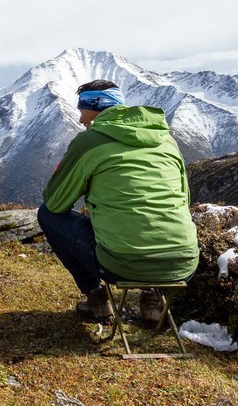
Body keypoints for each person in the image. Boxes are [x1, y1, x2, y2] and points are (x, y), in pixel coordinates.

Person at [38, 80, 199, 323]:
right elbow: (184, 200)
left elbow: (55, 202)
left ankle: (96, 298)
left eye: (82, 109)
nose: (81, 119)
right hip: (183, 263)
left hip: (120, 263)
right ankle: (152, 300)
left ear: (96, 107)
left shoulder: (89, 141)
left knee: (46, 215)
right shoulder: (168, 142)